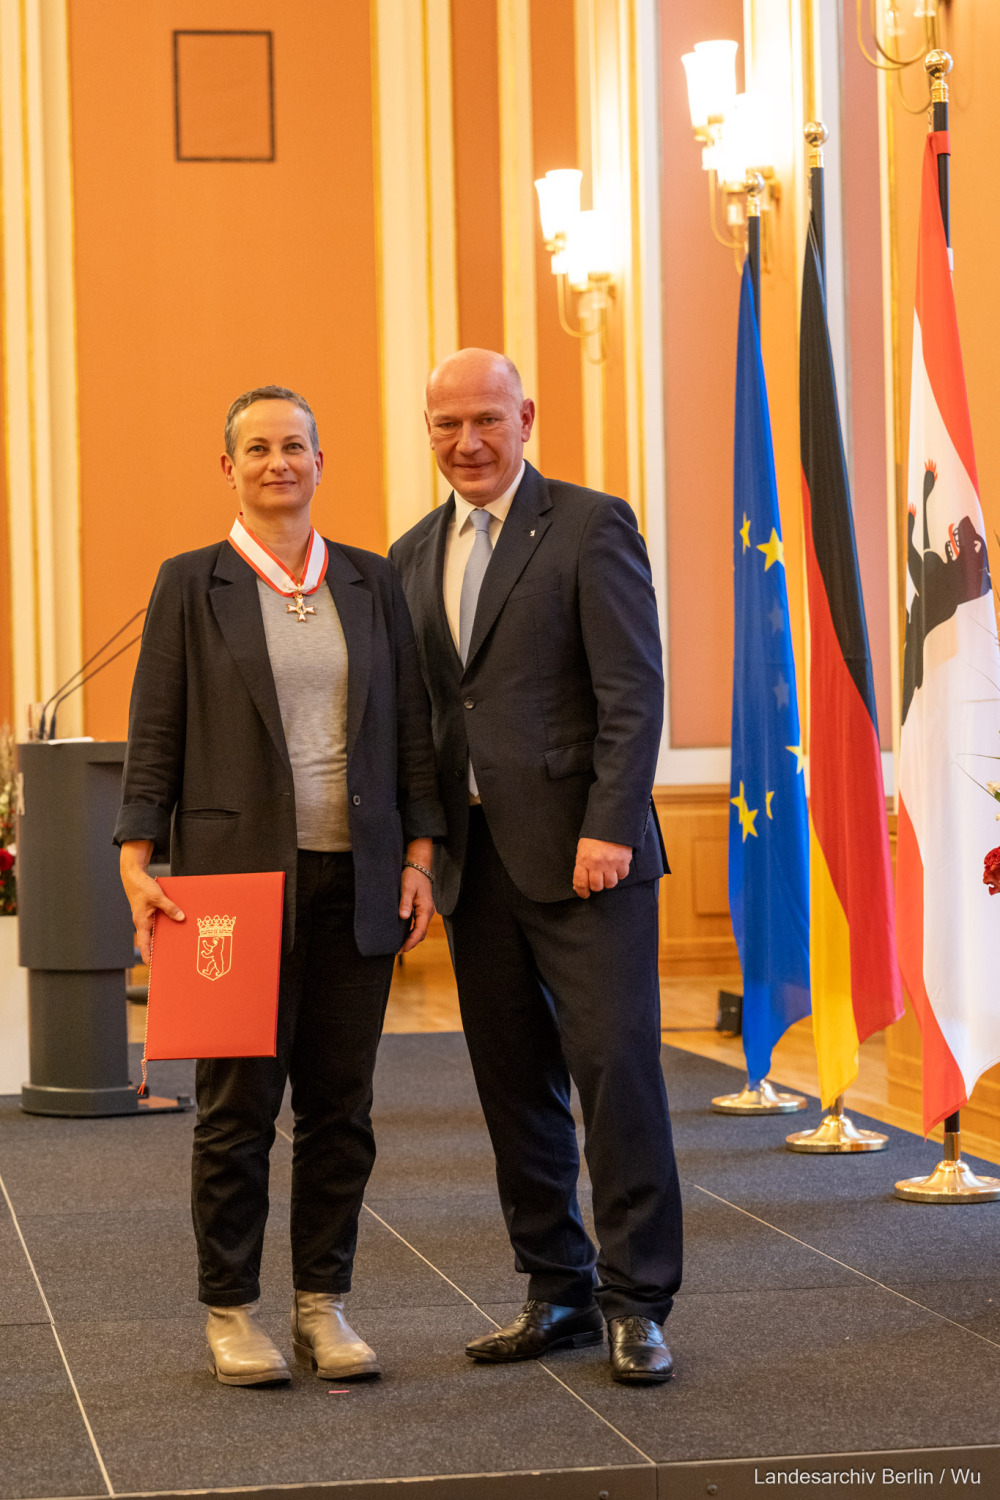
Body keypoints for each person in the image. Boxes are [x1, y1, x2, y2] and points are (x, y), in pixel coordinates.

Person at [116, 385, 444, 1387]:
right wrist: (135, 858)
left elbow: (411, 734)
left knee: (340, 1108)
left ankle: (321, 1305)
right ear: (228, 468)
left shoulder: (368, 581)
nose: (276, 464)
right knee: (236, 1110)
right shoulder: (191, 583)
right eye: (255, 449)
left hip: (359, 879)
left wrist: (422, 855)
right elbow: (156, 733)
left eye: (293, 446)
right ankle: (231, 1312)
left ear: (318, 458)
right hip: (230, 889)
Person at [389, 348, 683, 1385]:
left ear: (525, 415)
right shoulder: (412, 551)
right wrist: (419, 850)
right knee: (514, 1085)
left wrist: (608, 823)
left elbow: (633, 691)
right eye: (444, 426)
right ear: (426, 432)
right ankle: (553, 1286)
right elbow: (429, 719)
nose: (466, 442)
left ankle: (637, 1302)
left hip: (586, 860)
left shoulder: (590, 524)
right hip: (478, 869)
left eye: (484, 420)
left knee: (615, 1078)